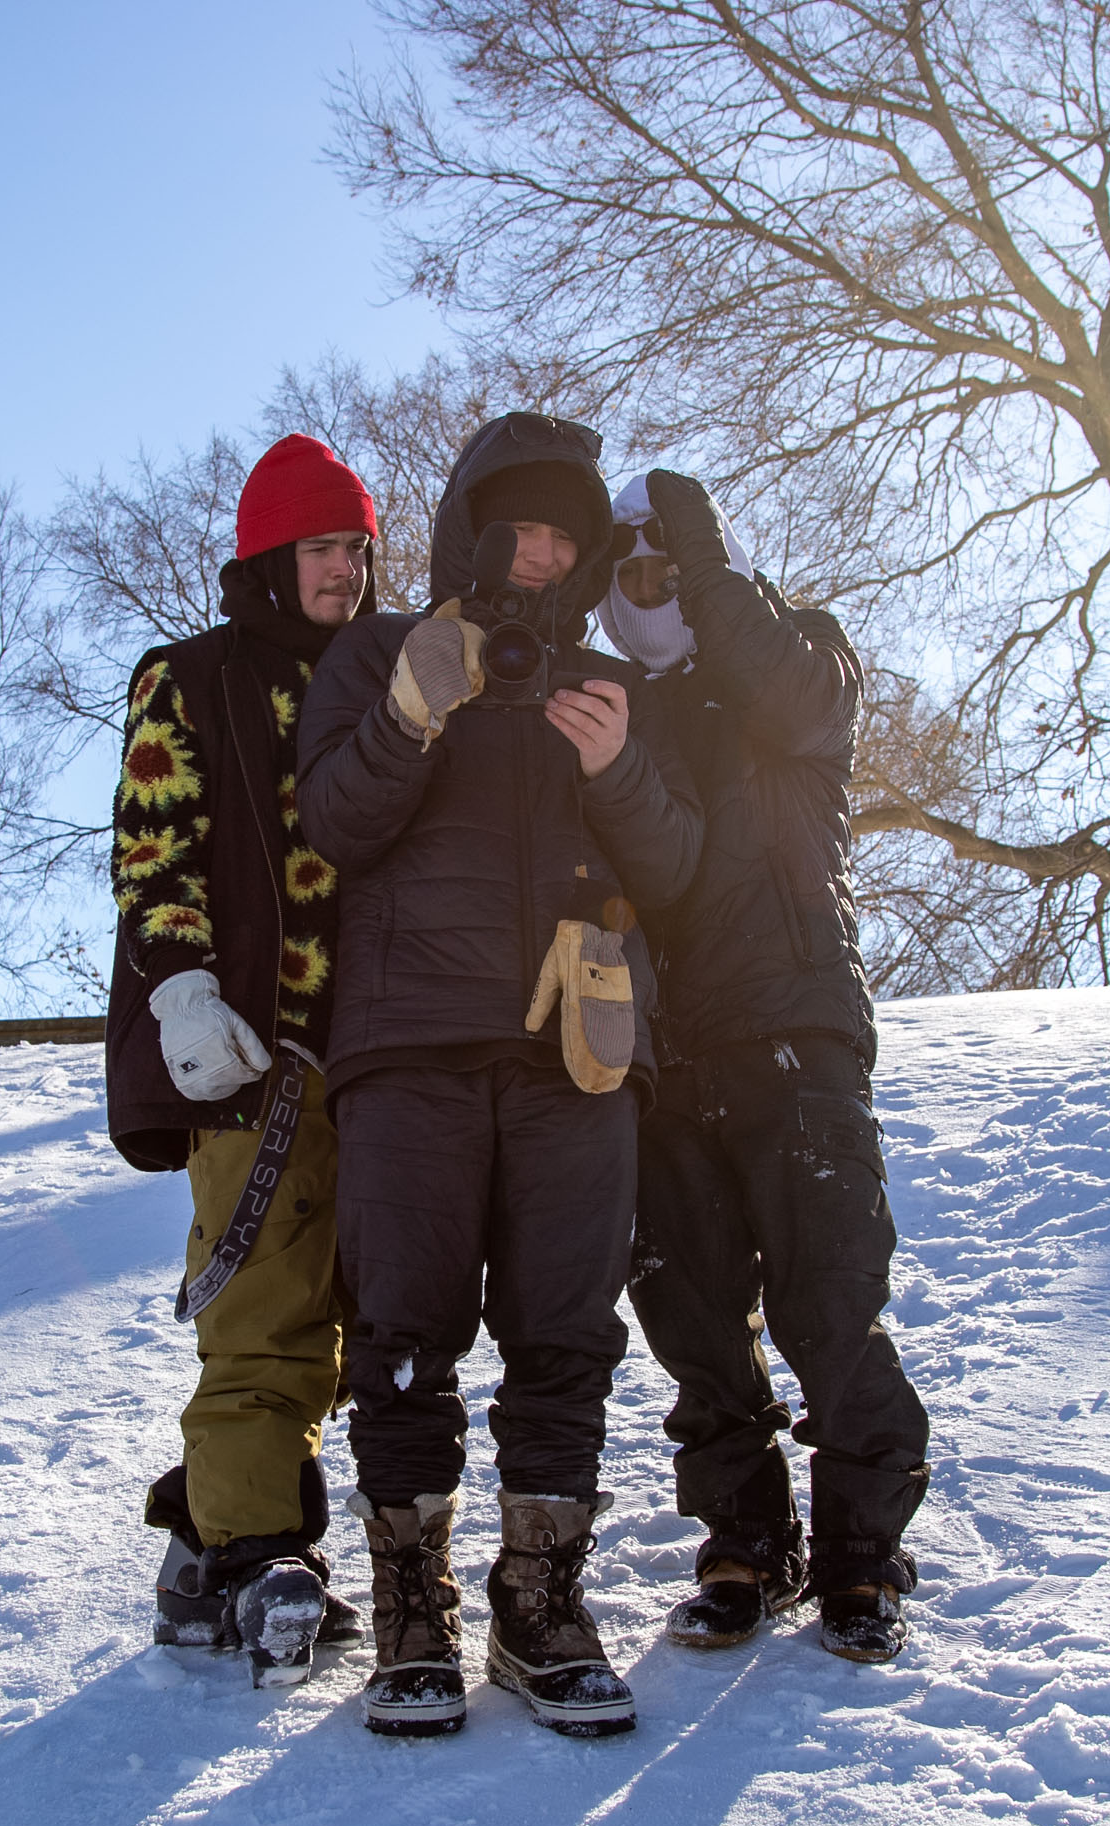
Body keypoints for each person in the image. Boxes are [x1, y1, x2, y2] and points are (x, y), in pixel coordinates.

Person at [296, 412, 704, 1736]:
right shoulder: (376, 651)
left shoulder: (603, 686)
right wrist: (413, 709)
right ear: (471, 527)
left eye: (562, 538)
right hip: (409, 1038)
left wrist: (620, 767)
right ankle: (413, 1612)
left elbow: (678, 871)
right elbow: (335, 827)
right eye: (518, 527)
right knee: (403, 1329)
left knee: (566, 1331)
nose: (538, 555)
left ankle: (541, 1605)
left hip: (578, 1058)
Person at [599, 468, 930, 1664]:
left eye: (669, 566)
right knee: (689, 1314)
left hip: (793, 1027)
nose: (652, 591)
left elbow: (788, 701)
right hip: (664, 1054)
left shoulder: (803, 654)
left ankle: (858, 1551)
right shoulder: (613, 704)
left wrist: (698, 546)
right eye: (627, 574)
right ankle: (744, 1540)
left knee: (828, 1301)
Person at [104, 433, 379, 1687]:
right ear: (271, 555)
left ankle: (244, 1525)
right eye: (327, 548)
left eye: (362, 550)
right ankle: (245, 1555)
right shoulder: (192, 677)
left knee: (370, 1318)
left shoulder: (386, 681)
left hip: (384, 1050)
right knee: (264, 1313)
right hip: (252, 1056)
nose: (349, 571)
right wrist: (183, 990)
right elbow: (153, 851)